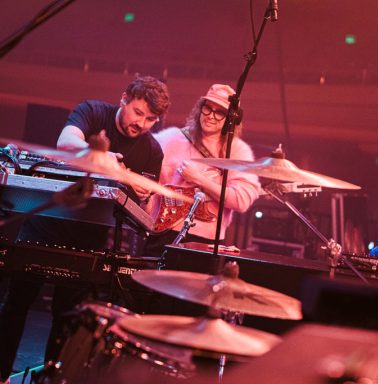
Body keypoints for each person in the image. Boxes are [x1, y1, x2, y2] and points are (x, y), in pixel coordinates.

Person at [0, 75, 170, 384]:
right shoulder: (93, 111)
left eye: (150, 119)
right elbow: (66, 143)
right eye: (137, 112)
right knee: (17, 303)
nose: (141, 123)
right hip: (47, 223)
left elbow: (142, 214)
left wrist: (144, 197)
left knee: (67, 316)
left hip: (89, 239)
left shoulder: (152, 150)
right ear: (123, 99)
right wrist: (104, 160)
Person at [143, 83, 260, 255]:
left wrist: (199, 179)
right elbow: (141, 160)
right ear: (200, 108)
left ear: (230, 119)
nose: (210, 116)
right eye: (208, 108)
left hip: (206, 244)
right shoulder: (172, 138)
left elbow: (241, 201)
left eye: (219, 112)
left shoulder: (237, 151)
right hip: (162, 234)